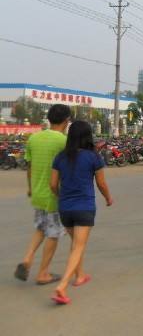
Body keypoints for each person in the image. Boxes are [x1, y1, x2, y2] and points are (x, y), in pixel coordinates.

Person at [49, 120, 113, 305]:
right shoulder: (94, 157)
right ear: (88, 135)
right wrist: (109, 198)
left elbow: (53, 184)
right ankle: (62, 286)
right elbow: (101, 183)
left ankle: (80, 275)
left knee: (76, 244)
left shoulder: (60, 157)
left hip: (65, 208)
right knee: (78, 246)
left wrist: (61, 197)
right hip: (84, 207)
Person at [15, 104, 71, 285]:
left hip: (38, 192)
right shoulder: (64, 142)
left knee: (40, 228)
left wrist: (30, 187)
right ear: (66, 121)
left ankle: (27, 259)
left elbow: (29, 167)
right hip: (55, 194)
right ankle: (43, 273)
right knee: (53, 234)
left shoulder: (34, 138)